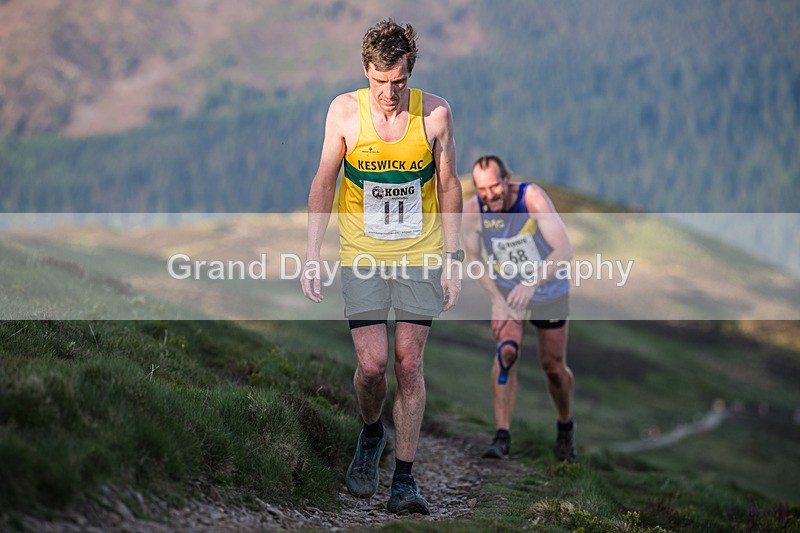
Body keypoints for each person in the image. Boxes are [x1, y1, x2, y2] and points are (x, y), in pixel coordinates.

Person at [300, 19, 462, 515]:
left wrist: (452, 259)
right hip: (362, 255)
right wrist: (312, 255)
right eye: (379, 81)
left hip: (419, 254)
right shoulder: (344, 113)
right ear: (365, 71)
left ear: (409, 72)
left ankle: (405, 482)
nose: (389, 93)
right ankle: (372, 435)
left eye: (398, 82)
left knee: (409, 364)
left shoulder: (434, 114)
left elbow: (450, 184)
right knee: (371, 366)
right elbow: (324, 182)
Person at [462, 155, 577, 463]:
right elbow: (474, 260)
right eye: (482, 189)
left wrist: (531, 283)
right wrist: (496, 300)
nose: (490, 195)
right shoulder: (473, 211)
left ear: (507, 179)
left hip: (548, 288)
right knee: (506, 352)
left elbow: (564, 249)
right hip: (507, 292)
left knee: (553, 367)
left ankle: (565, 426)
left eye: (494, 186)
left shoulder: (532, 198)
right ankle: (502, 436)